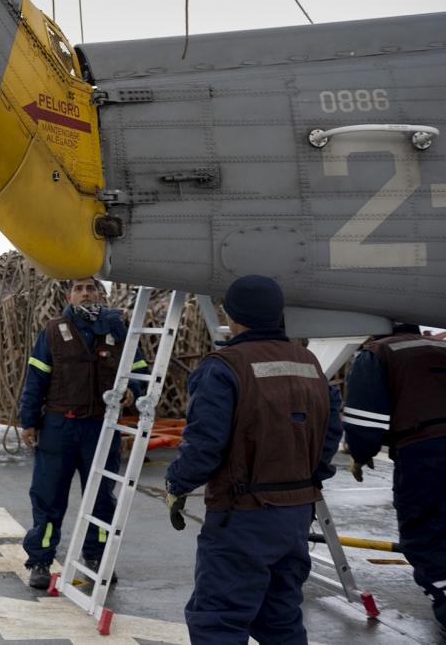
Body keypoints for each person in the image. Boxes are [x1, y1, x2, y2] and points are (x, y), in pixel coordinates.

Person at [164, 274, 343, 644]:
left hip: (242, 516)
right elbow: (331, 429)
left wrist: (177, 484)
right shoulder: (309, 363)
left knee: (219, 622)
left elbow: (204, 446)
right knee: (280, 619)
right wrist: (311, 477)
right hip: (296, 514)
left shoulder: (224, 367)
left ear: (232, 316)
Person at [19, 277, 145, 589]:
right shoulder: (52, 331)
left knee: (101, 497)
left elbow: (139, 370)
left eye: (91, 288)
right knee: (48, 498)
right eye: (79, 289)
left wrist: (132, 389)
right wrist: (29, 421)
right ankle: (40, 561)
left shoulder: (119, 329)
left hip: (101, 428)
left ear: (101, 294)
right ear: (69, 295)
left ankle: (96, 556)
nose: (85, 293)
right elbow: (36, 378)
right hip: (59, 428)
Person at [343, 322, 446, 634]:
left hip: (426, 455)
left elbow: (365, 425)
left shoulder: (376, 354)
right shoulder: (440, 347)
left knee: (427, 537)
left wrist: (360, 454)